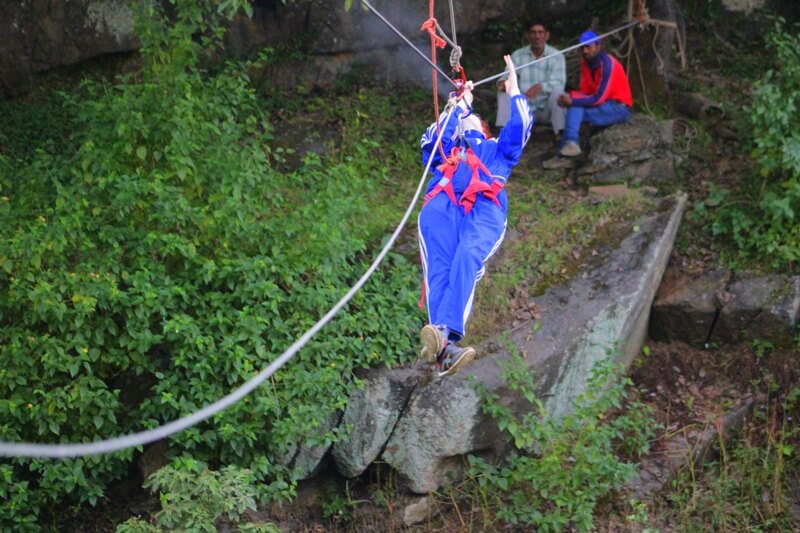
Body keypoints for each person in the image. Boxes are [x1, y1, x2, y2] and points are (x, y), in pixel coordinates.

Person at [418, 55, 533, 377]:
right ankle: (442, 348)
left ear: (484, 128)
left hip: (485, 208)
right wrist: (457, 108)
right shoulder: (447, 146)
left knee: (467, 255)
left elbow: (521, 126)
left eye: (475, 118)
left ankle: (448, 333)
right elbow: (430, 141)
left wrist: (514, 90)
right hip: (441, 207)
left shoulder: (497, 150)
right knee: (439, 271)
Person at [556, 30, 633, 157]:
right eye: (582, 47)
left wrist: (573, 101)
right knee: (574, 107)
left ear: (598, 46)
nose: (585, 51)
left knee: (574, 110)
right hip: (603, 104)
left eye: (588, 46)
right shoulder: (586, 62)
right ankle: (570, 145)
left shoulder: (608, 64)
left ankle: (567, 148)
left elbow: (599, 98)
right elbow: (585, 91)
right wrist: (570, 97)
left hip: (618, 107)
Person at [496, 20, 566, 141]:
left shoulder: (557, 56)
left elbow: (560, 82)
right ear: (528, 36)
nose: (537, 36)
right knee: (504, 91)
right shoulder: (518, 55)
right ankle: (504, 135)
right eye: (533, 33)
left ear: (547, 35)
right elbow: (507, 75)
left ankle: (560, 135)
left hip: (546, 109)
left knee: (558, 92)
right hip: (523, 108)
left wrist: (540, 86)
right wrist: (503, 83)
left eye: (540, 32)